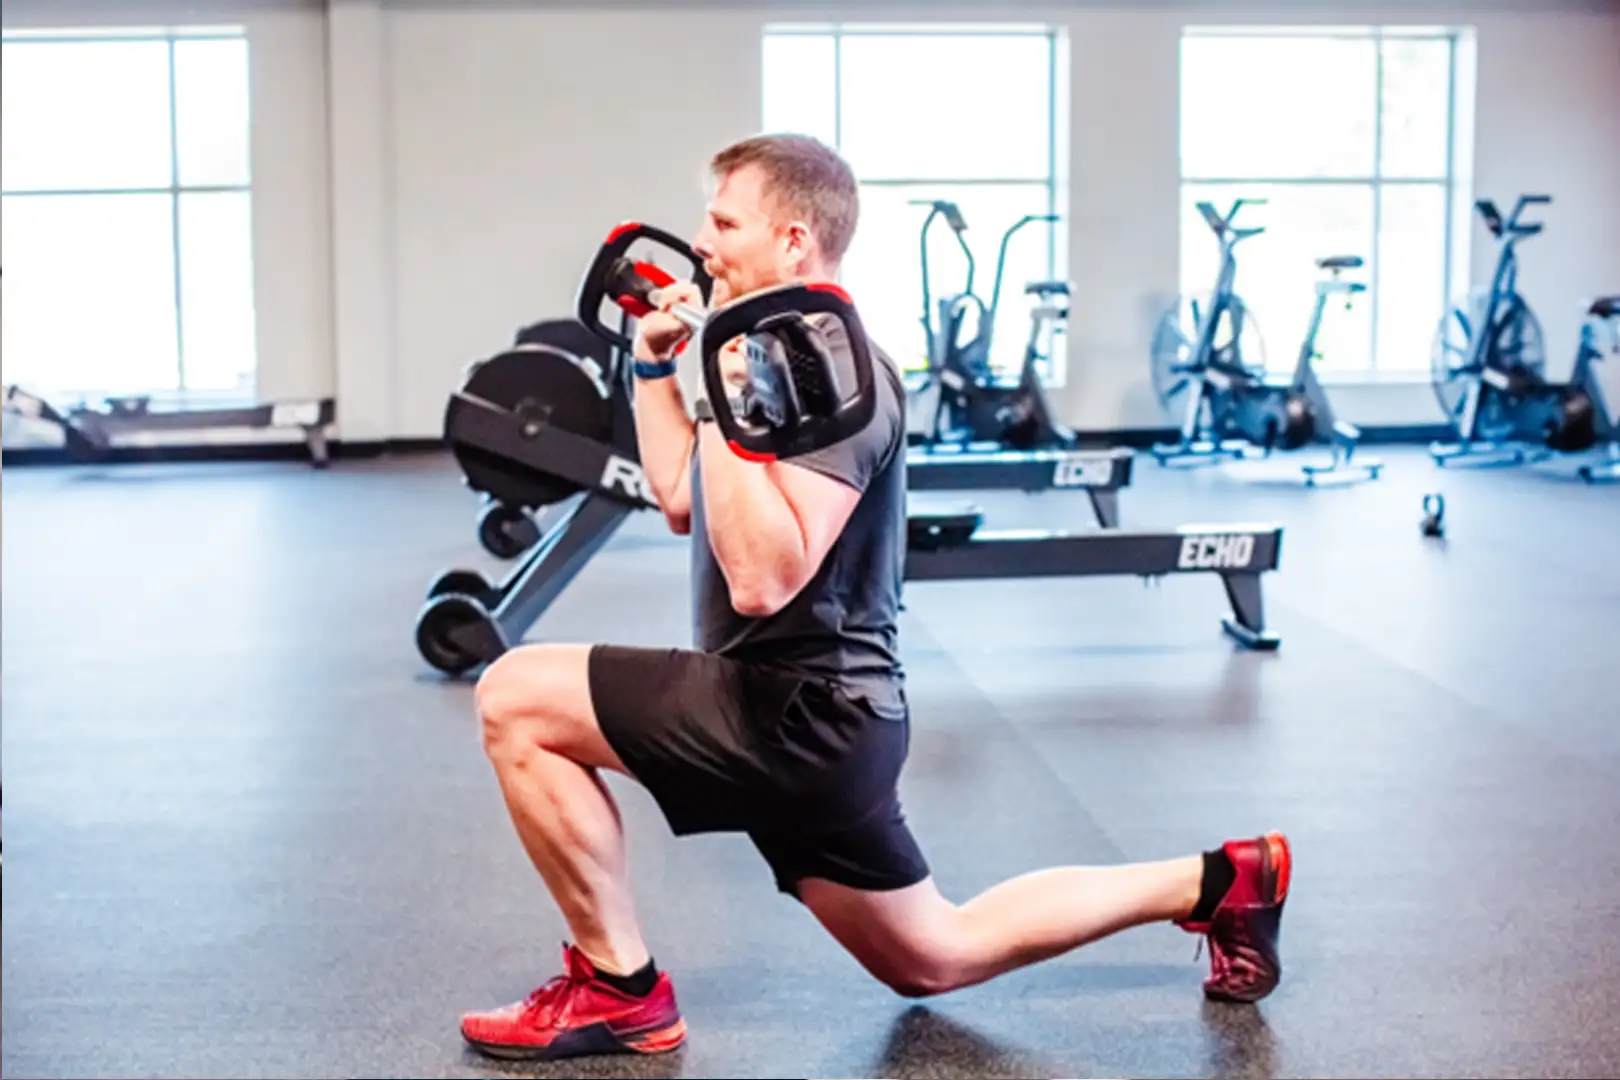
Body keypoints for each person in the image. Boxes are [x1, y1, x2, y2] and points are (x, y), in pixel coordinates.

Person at [459, 133, 1292, 1063]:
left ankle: (618, 988)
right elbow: (682, 500)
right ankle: (1219, 882)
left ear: (793, 240)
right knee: (935, 956)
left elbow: (764, 577)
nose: (701, 242)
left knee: (513, 695)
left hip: (795, 712)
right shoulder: (764, 358)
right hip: (820, 718)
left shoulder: (832, 370)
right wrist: (660, 370)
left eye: (724, 221)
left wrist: (720, 392)